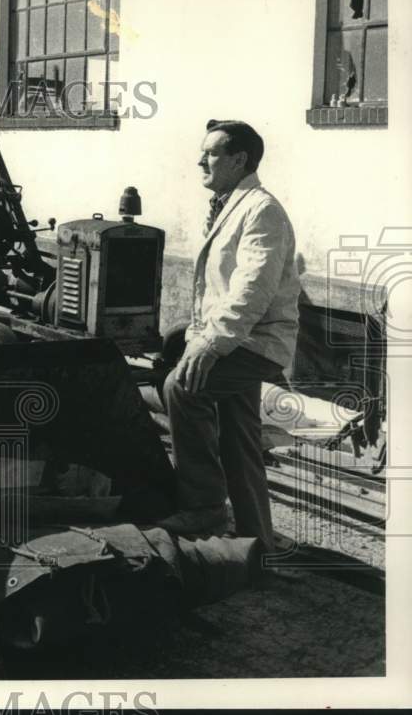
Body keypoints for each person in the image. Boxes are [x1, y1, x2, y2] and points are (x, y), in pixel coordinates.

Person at [157, 119, 301, 553]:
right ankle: (258, 540)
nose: (201, 159)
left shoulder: (262, 210)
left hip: (254, 341)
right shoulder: (230, 203)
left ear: (239, 160)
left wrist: (210, 344)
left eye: (212, 153)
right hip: (239, 338)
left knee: (182, 388)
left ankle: (204, 509)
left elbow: (251, 290)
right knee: (238, 435)